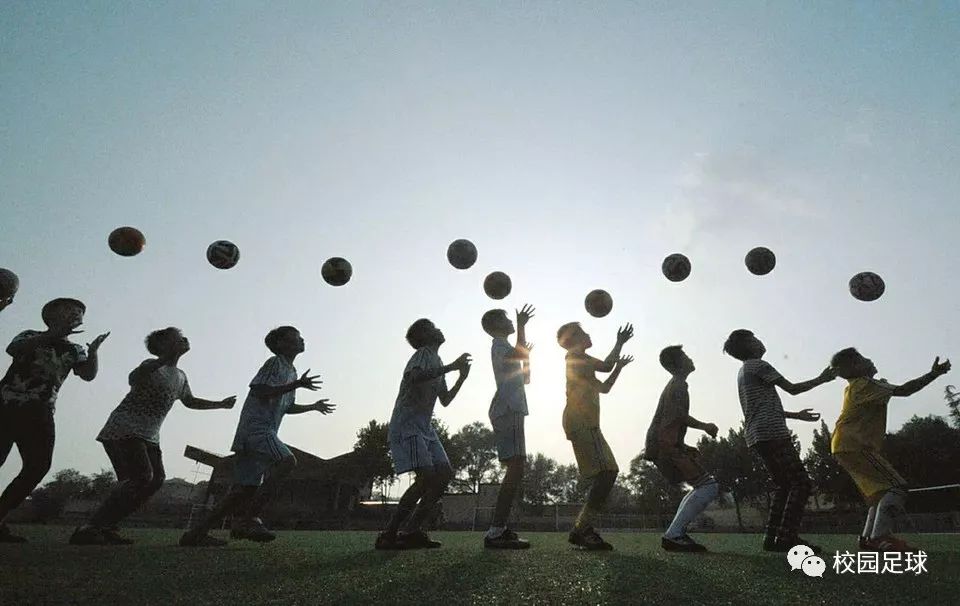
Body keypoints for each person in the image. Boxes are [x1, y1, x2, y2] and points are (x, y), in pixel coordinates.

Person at [70, 327, 236, 545]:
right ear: (163, 346)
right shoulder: (150, 365)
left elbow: (190, 401)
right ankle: (90, 527)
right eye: (178, 337)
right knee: (140, 477)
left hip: (149, 435)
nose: (184, 338)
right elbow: (134, 378)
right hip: (124, 428)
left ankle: (106, 526)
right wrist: (165, 359)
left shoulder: (180, 376)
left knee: (155, 480)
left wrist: (221, 405)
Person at [179, 326, 333, 547]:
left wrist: (313, 406)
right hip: (257, 430)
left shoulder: (292, 371)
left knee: (243, 491)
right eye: (296, 337)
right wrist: (296, 384)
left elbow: (286, 406)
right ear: (280, 344)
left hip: (259, 432)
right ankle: (248, 519)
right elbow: (260, 390)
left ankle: (195, 533)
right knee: (287, 461)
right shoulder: (275, 363)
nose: (302, 340)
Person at [0, 298, 109, 543]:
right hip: (7, 404)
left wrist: (93, 353)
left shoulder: (75, 349)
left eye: (80, 310)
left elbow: (88, 375)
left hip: (41, 411)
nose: (77, 312)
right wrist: (52, 335)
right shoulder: (30, 335)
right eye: (70, 309)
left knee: (38, 466)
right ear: (51, 315)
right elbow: (13, 349)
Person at [722, 329, 833, 553]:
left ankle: (772, 538)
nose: (759, 340)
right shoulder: (759, 365)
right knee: (801, 483)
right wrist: (822, 379)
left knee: (784, 485)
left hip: (757, 434)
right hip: (772, 433)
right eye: (754, 339)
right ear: (748, 346)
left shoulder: (744, 371)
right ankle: (787, 538)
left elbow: (763, 407)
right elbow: (792, 389)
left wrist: (795, 416)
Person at [830, 348, 951, 552]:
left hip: (842, 445)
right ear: (853, 367)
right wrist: (933, 374)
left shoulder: (855, 387)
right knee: (897, 487)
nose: (870, 360)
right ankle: (880, 537)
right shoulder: (866, 383)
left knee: (879, 493)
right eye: (863, 358)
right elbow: (905, 390)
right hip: (855, 444)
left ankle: (868, 539)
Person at [375, 319, 471, 550]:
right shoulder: (422, 354)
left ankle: (411, 531)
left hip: (425, 427)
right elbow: (414, 377)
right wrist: (451, 367)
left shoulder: (436, 360)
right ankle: (388, 533)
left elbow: (445, 400)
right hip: (407, 424)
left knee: (445, 473)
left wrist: (461, 377)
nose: (439, 328)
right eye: (432, 327)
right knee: (427, 476)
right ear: (424, 336)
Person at [557, 321, 633, 551]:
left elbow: (605, 388)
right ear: (576, 338)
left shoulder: (582, 365)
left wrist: (619, 368)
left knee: (607, 473)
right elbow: (606, 365)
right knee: (608, 472)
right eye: (584, 332)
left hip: (585, 424)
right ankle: (582, 529)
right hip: (582, 423)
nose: (589, 334)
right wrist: (619, 343)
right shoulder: (576, 359)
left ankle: (583, 528)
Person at [644, 345, 719, 552]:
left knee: (702, 485)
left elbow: (669, 422)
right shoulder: (678, 385)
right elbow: (677, 417)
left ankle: (674, 534)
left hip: (664, 444)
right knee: (708, 486)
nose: (690, 358)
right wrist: (705, 426)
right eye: (685, 356)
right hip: (664, 446)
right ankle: (674, 534)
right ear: (677, 363)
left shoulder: (676, 385)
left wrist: (683, 445)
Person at [481, 304, 534, 549]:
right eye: (506, 318)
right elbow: (518, 355)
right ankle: (495, 531)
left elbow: (525, 378)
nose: (510, 321)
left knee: (516, 469)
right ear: (495, 326)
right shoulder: (499, 344)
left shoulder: (505, 346)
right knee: (515, 468)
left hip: (512, 410)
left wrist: (527, 357)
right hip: (507, 410)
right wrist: (522, 326)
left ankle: (499, 528)